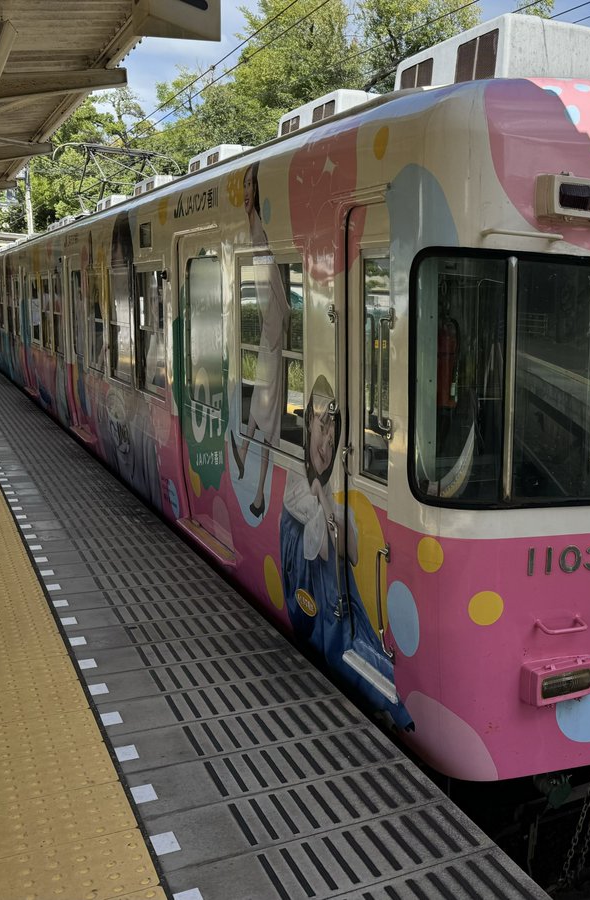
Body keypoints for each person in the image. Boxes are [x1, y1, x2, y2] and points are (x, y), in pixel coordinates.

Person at [279, 376, 412, 728]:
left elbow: (351, 552)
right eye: (321, 427)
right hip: (318, 615)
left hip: (341, 612)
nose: (325, 442)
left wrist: (325, 500)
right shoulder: (295, 488)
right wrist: (324, 504)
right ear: (306, 422)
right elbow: (322, 550)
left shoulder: (328, 494)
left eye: (333, 434)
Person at [230, 161, 291, 517]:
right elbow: (267, 277)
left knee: (265, 408)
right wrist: (279, 316)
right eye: (245, 185)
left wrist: (279, 316)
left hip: (273, 323)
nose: (247, 192)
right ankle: (257, 491)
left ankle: (256, 488)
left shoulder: (256, 227)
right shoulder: (254, 226)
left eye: (251, 184)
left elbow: (268, 277)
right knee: (268, 408)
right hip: (272, 325)